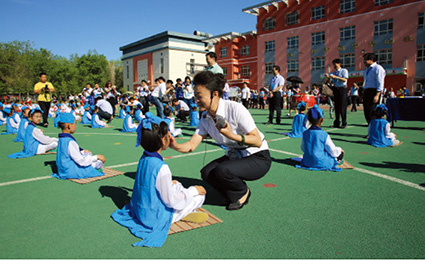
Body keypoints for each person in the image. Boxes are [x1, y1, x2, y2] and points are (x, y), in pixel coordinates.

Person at [170, 71, 271, 211]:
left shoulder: (235, 109)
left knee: (223, 170)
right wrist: (173, 144)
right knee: (207, 173)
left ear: (215, 94)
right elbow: (191, 145)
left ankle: (242, 191)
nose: (196, 100)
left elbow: (257, 140)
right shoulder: (205, 117)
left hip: (258, 157)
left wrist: (232, 135)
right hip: (235, 156)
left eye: (199, 96)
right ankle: (231, 193)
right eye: (195, 96)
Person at [111, 112, 207, 248]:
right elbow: (171, 201)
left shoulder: (144, 158)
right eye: (169, 134)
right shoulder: (162, 167)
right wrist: (193, 190)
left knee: (177, 185)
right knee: (199, 197)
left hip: (141, 210)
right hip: (154, 217)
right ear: (163, 140)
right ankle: (178, 216)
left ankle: (182, 210)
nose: (171, 137)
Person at [51, 113, 105, 180]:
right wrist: (96, 157)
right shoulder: (70, 141)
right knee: (97, 162)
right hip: (70, 171)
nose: (75, 127)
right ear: (69, 126)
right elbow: (81, 161)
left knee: (87, 154)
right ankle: (96, 166)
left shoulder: (62, 139)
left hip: (63, 170)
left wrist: (82, 152)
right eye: (75, 124)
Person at [297, 105, 344, 172]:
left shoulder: (305, 133)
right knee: (337, 154)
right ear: (321, 120)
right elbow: (332, 151)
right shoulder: (324, 134)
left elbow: (303, 147)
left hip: (307, 161)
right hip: (321, 162)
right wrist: (340, 150)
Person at [362, 53, 386, 126]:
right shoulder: (366, 70)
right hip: (367, 91)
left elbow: (380, 82)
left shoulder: (378, 68)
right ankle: (370, 130)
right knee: (367, 112)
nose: (364, 62)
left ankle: (375, 131)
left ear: (371, 60)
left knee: (373, 112)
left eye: (366, 60)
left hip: (374, 91)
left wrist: (377, 95)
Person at [324, 59, 349, 128]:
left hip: (342, 89)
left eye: (335, 64)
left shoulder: (344, 71)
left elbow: (344, 79)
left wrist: (336, 77)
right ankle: (336, 122)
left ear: (339, 64)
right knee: (336, 107)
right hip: (336, 89)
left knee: (342, 107)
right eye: (333, 64)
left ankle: (344, 122)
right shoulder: (334, 72)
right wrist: (328, 77)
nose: (334, 66)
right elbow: (331, 82)